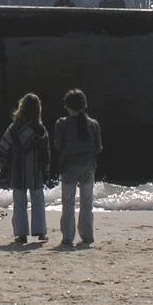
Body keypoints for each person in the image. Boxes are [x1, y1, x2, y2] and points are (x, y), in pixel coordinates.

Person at [0, 93, 51, 244]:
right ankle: (40, 232)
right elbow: (46, 152)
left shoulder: (14, 128)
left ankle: (21, 234)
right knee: (38, 201)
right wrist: (46, 171)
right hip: (36, 170)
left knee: (19, 202)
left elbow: (3, 148)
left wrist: (3, 167)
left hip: (18, 170)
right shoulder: (40, 129)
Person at [53, 88, 102, 247]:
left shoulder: (62, 124)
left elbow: (58, 146)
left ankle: (67, 236)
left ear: (68, 106)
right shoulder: (93, 124)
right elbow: (98, 147)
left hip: (69, 165)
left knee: (68, 202)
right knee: (87, 202)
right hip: (88, 165)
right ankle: (87, 235)